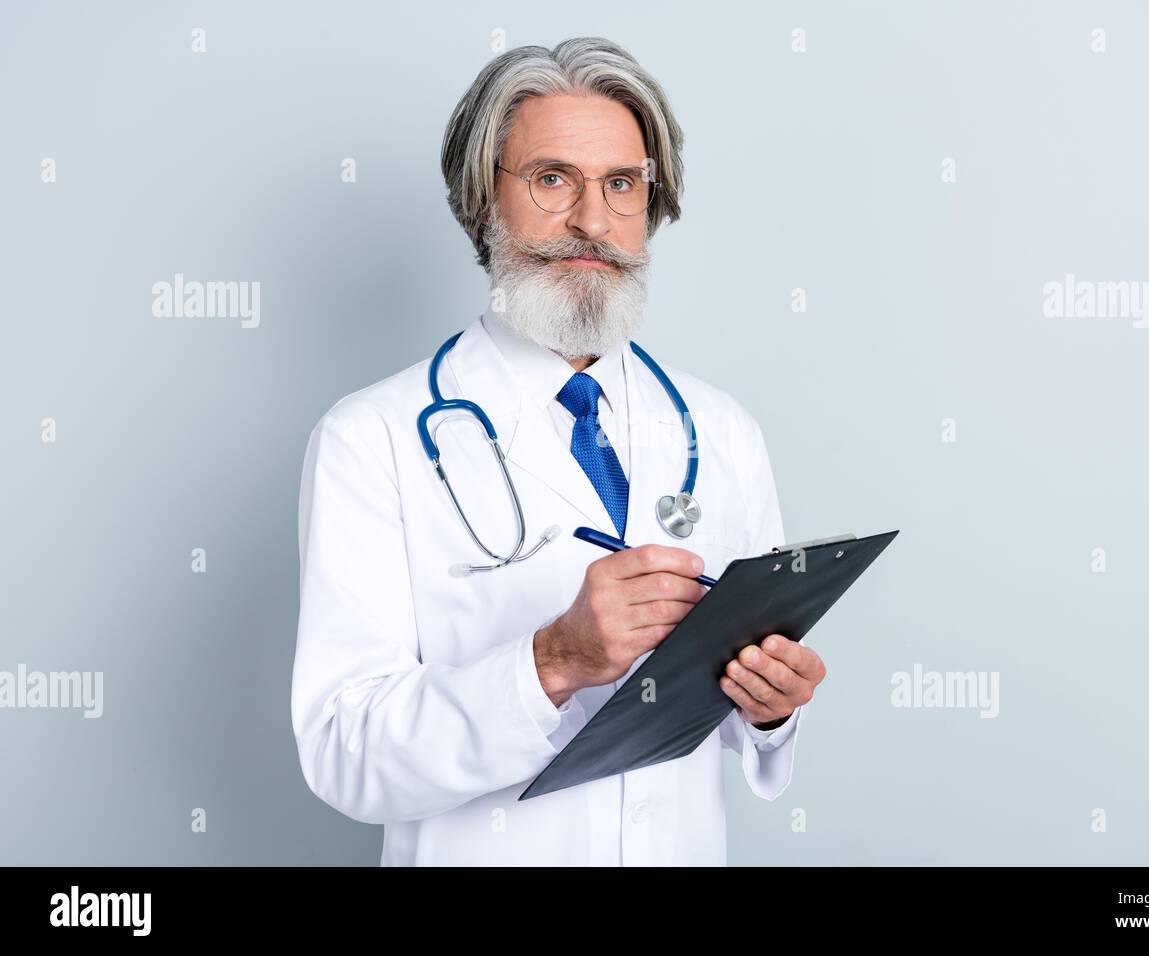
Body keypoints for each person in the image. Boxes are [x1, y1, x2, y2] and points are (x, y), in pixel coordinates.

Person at [290, 36, 826, 866]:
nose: (592, 221)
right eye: (552, 179)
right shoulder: (373, 439)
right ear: (483, 199)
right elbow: (343, 752)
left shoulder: (721, 431)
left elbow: (734, 709)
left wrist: (771, 708)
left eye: (622, 184)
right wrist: (552, 660)